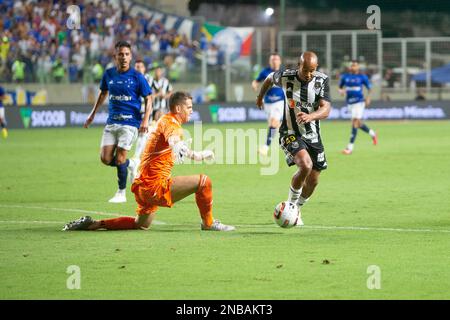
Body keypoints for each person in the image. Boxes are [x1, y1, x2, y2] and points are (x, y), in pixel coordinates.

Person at [63, 91, 235, 232]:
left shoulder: (164, 120)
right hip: (154, 186)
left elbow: (173, 144)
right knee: (204, 182)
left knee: (141, 224)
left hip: (142, 187)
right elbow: (174, 140)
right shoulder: (171, 122)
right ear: (178, 108)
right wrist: (187, 150)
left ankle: (94, 224)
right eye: (189, 107)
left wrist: (190, 153)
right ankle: (209, 223)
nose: (191, 110)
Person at [256, 52, 331, 226]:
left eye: (312, 70)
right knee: (305, 165)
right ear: (299, 65)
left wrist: (311, 116)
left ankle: (296, 209)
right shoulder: (285, 76)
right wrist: (260, 97)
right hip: (289, 132)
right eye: (306, 70)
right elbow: (268, 78)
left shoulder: (322, 80)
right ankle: (290, 206)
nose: (309, 74)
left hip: (313, 135)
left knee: (313, 180)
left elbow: (326, 109)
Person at [83, 40, 153, 203]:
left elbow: (149, 98)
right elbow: (102, 94)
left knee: (119, 158)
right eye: (120, 54)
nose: (124, 57)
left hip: (130, 123)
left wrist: (145, 120)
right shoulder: (109, 74)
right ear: (115, 56)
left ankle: (121, 193)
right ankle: (131, 164)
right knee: (105, 159)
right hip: (112, 122)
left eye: (127, 54)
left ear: (131, 57)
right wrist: (92, 114)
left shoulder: (137, 77)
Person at [339, 60, 377, 155]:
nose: (353, 67)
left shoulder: (362, 77)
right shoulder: (345, 77)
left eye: (355, 65)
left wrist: (368, 98)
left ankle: (350, 148)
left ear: (358, 67)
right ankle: (372, 133)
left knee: (355, 122)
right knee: (358, 124)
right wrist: (341, 92)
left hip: (359, 102)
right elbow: (340, 87)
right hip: (350, 103)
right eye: (352, 65)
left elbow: (370, 88)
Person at [252, 53, 285, 156]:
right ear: (270, 61)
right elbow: (256, 81)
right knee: (273, 125)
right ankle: (286, 134)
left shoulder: (284, 72)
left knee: (273, 123)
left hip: (279, 101)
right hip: (267, 102)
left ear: (280, 61)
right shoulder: (265, 72)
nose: (274, 61)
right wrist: (254, 85)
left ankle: (265, 147)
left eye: (276, 59)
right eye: (272, 59)